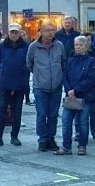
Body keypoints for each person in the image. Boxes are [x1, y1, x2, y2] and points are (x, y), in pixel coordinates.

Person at [0, 23, 29, 147]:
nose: (13, 34)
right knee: (1, 111)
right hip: (4, 84)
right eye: (11, 32)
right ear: (8, 33)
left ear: (20, 33)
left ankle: (14, 136)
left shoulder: (26, 46)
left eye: (16, 32)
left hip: (20, 84)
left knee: (17, 112)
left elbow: (29, 63)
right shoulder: (2, 46)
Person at [27, 21, 66, 152]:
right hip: (40, 87)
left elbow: (63, 62)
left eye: (53, 30)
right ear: (41, 31)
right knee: (42, 114)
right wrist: (39, 74)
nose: (51, 33)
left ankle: (51, 138)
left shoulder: (59, 45)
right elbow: (29, 63)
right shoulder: (34, 46)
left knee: (53, 114)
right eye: (48, 30)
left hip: (56, 86)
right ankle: (42, 139)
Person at [55, 36, 95, 156]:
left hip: (84, 97)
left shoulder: (91, 61)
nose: (78, 47)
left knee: (83, 122)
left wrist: (76, 90)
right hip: (71, 97)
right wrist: (69, 89)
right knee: (66, 121)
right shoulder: (70, 60)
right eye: (76, 45)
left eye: (80, 45)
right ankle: (66, 146)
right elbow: (65, 76)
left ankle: (82, 145)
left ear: (86, 47)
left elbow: (91, 79)